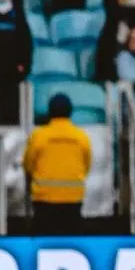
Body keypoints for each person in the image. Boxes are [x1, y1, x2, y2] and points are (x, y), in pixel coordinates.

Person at [23, 94, 91, 236]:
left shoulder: (39, 136)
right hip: (73, 200)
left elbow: (28, 164)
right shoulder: (81, 137)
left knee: (43, 240)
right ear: (70, 112)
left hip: (44, 201)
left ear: (50, 112)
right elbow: (86, 166)